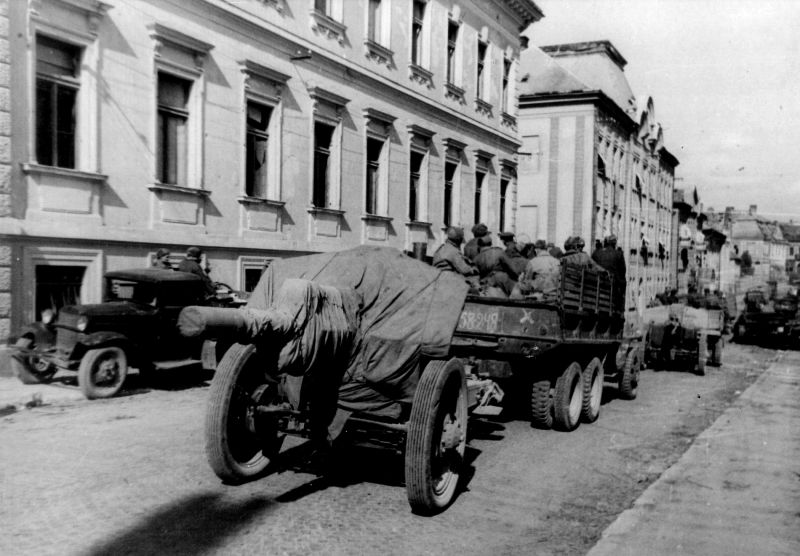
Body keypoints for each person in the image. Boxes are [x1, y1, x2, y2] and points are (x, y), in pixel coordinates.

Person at [591, 234, 627, 308]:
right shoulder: (618, 254)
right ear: (614, 243)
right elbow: (622, 272)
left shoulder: (596, 253)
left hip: (597, 286)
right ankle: (620, 307)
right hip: (612, 286)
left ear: (605, 243)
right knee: (623, 282)